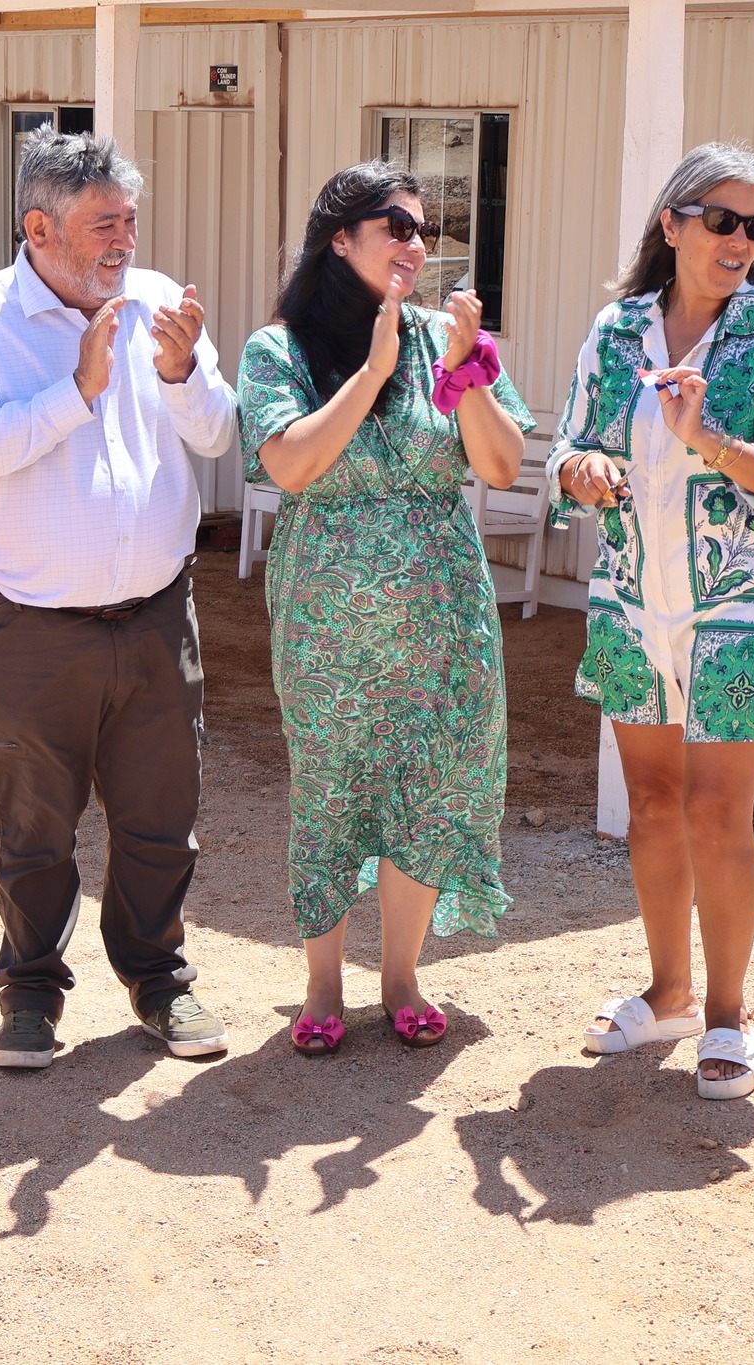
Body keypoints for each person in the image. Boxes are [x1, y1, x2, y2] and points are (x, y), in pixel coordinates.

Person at [0, 131, 238, 1069]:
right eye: (104, 224)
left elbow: (218, 435)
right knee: (32, 827)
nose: (124, 241)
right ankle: (30, 993)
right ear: (39, 228)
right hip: (29, 627)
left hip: (157, 616)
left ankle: (160, 979)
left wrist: (181, 374)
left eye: (129, 220)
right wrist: (77, 391)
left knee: (160, 818)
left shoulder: (158, 303)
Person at [548, 142, 754, 1099]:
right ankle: (668, 992)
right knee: (652, 804)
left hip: (750, 604)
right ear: (672, 225)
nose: (741, 240)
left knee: (716, 809)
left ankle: (727, 1014)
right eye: (722, 220)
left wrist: (706, 438)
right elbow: (570, 444)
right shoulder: (619, 330)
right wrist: (582, 470)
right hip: (636, 598)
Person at [237, 162, 532, 1055]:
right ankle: (323, 985)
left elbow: (501, 465)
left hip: (445, 618)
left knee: (433, 783)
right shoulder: (278, 349)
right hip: (329, 623)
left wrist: (467, 372)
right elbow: (291, 465)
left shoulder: (447, 336)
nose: (416, 244)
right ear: (340, 238)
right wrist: (374, 372)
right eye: (396, 227)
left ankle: (401, 975)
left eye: (424, 230)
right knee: (332, 785)